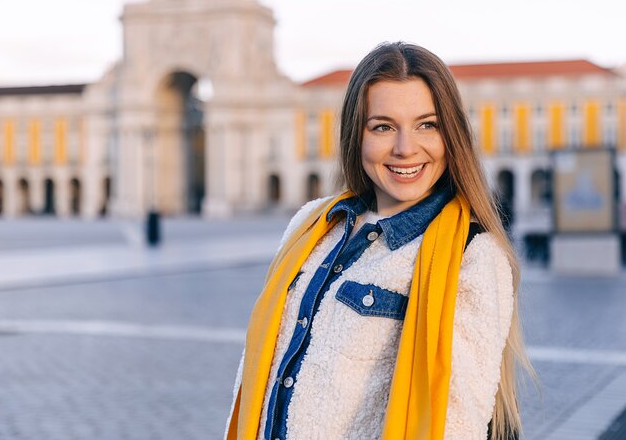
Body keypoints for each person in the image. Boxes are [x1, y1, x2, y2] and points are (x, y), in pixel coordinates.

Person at [225, 42, 533, 440]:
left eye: (427, 125)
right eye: (383, 126)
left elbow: (453, 422)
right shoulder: (311, 226)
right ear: (357, 134)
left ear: (450, 134)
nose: (406, 148)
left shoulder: (471, 255)